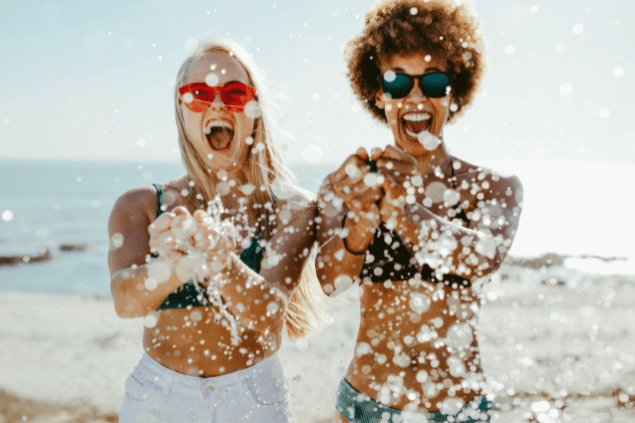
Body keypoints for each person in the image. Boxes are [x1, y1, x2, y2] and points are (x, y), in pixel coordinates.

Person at [315, 1, 523, 422]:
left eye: (432, 81)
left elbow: (481, 258)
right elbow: (331, 282)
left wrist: (402, 210)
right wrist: (362, 221)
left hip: (459, 409)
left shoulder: (493, 187)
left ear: (453, 92)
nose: (415, 97)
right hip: (366, 406)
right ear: (378, 93)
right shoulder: (350, 185)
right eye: (397, 83)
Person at [108, 37, 327, 423]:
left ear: (255, 108)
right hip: (159, 396)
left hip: (253, 397)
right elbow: (126, 300)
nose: (218, 104)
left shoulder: (292, 208)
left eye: (235, 92)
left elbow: (268, 314)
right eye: (199, 92)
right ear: (182, 107)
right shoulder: (139, 205)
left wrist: (213, 258)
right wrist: (179, 266)